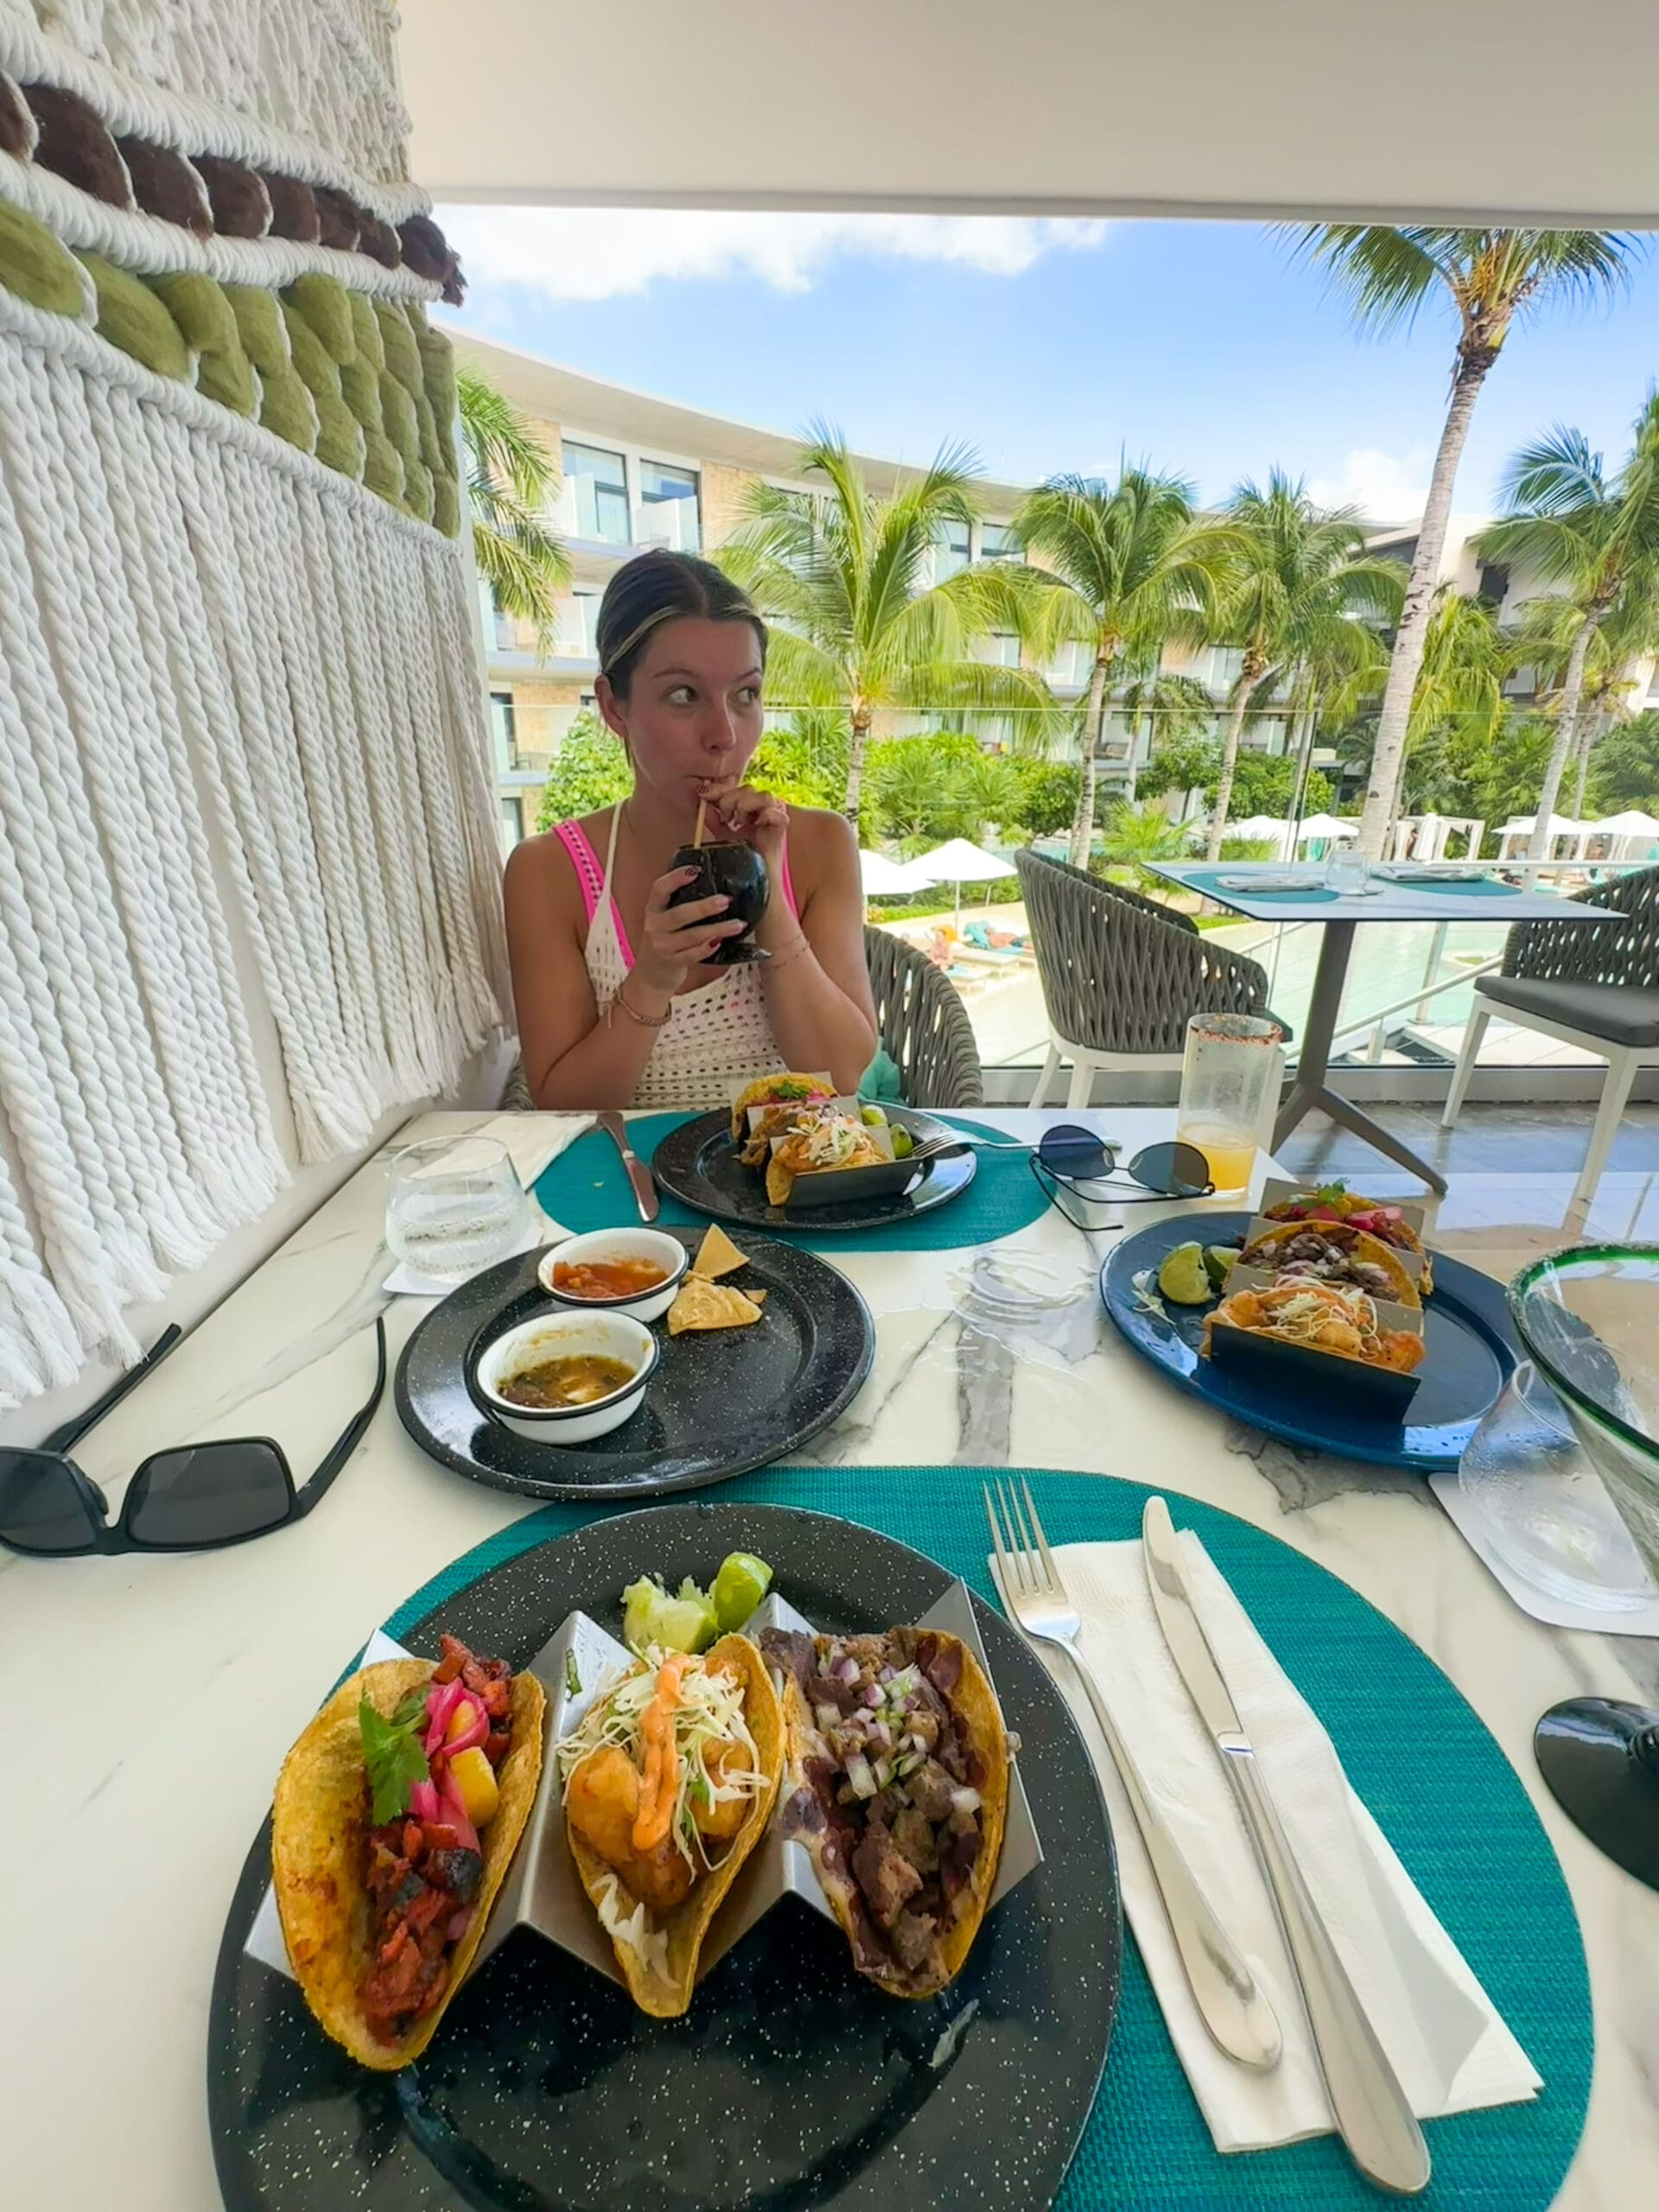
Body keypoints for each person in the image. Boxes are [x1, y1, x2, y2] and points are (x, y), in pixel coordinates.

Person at [505, 550, 878, 1109]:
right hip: (629, 1186)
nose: (725, 735)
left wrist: (768, 894)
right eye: (685, 695)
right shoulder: (549, 871)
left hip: (788, 1181)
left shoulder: (821, 844)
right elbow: (564, 1107)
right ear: (614, 707)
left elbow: (841, 1074)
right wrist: (653, 976)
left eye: (745, 694)